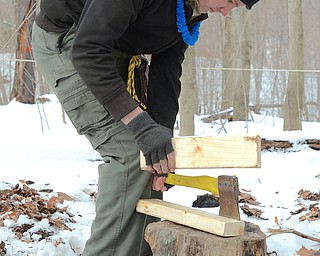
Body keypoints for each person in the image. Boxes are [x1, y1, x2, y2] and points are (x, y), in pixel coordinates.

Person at [31, 0, 260, 255]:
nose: (227, 12)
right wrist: (142, 129)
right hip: (73, 41)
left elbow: (167, 69)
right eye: (230, 0)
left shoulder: (192, 8)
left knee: (148, 158)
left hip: (112, 45)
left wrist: (160, 143)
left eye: (236, 7)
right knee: (130, 153)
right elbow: (88, 49)